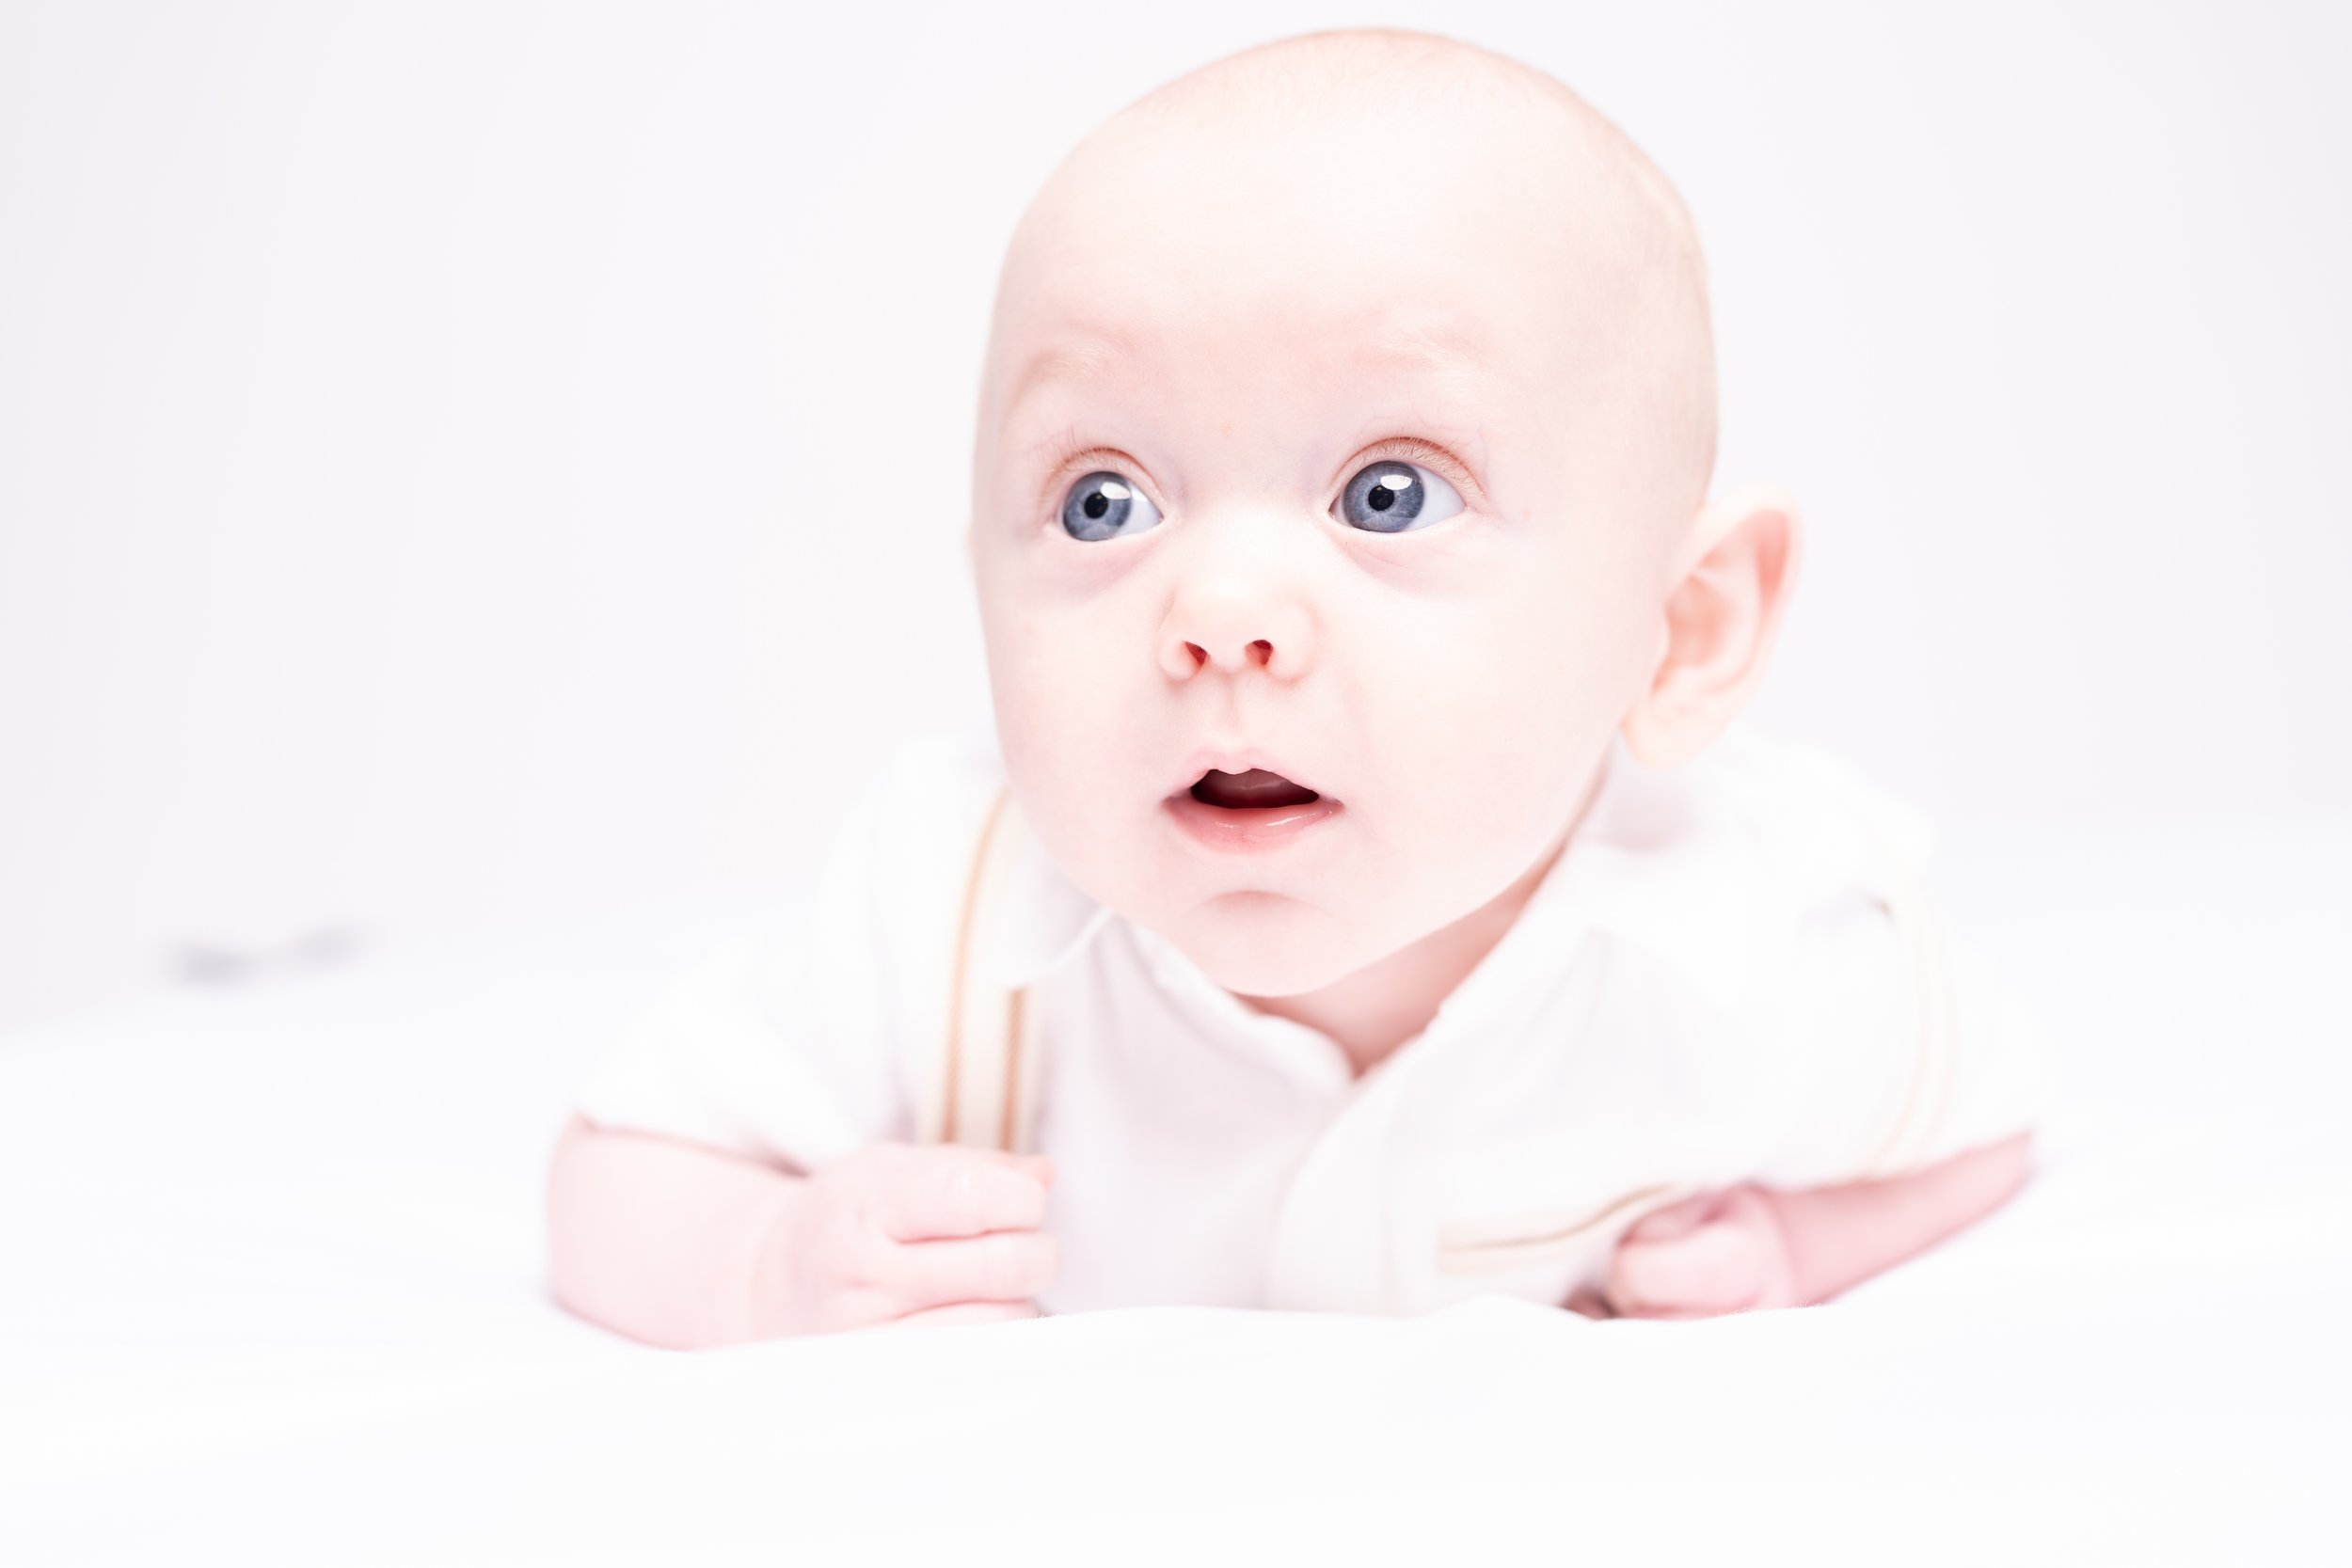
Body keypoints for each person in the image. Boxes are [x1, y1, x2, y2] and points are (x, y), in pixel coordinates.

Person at [545, 27, 2042, 1348]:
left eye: (1390, 493)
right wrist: (762, 1263)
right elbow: (613, 1170)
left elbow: (1987, 1135)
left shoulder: (1742, 942)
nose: (1219, 615)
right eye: (1101, 504)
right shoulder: (952, 917)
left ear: (1682, 632)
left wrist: (1800, 1245)